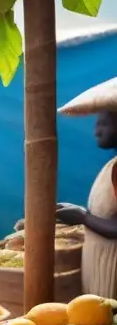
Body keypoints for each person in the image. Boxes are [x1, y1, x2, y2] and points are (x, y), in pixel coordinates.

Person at [56, 80, 117, 297]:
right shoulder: (112, 165)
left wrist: (82, 217)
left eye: (103, 124)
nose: (96, 131)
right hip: (100, 265)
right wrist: (78, 212)